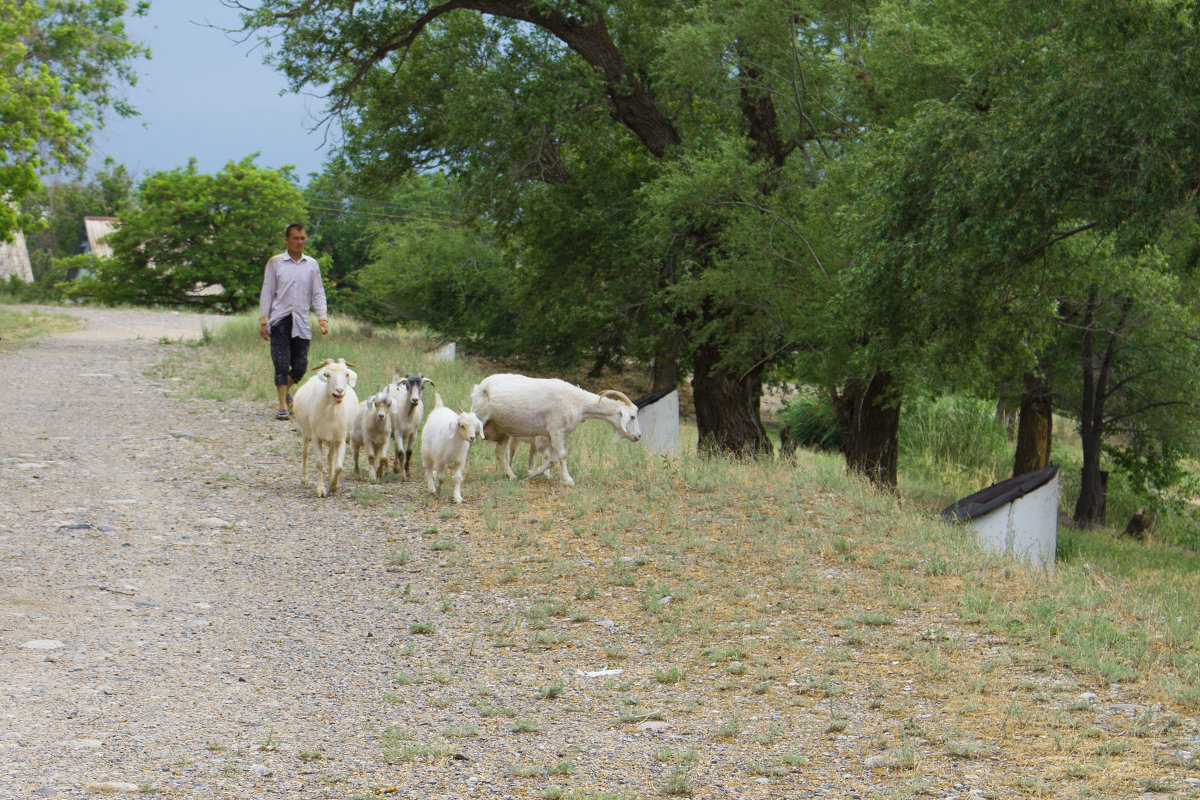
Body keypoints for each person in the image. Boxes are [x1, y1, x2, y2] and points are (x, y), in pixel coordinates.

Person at [259, 223, 329, 420]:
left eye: (302, 238)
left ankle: (286, 387)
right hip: (279, 320)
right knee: (281, 363)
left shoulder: (312, 264)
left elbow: (318, 292)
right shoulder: (275, 262)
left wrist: (322, 317)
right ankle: (283, 406)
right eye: (296, 238)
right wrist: (264, 321)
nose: (299, 242)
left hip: (301, 321)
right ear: (286, 240)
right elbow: (267, 290)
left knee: (300, 366)